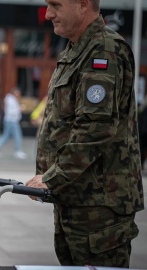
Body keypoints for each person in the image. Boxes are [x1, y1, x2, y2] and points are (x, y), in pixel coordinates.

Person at [25, 0, 144, 267]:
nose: (48, 14)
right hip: (77, 199)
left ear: (83, 4)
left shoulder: (104, 50)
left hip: (100, 207)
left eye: (55, 4)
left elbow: (95, 129)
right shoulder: (77, 49)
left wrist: (52, 178)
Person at [0, 87, 26, 159]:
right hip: (12, 121)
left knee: (6, 136)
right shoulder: (10, 100)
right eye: (17, 93)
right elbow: (10, 112)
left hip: (10, 120)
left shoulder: (11, 100)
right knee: (17, 136)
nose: (18, 95)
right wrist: (19, 109)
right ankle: (18, 151)